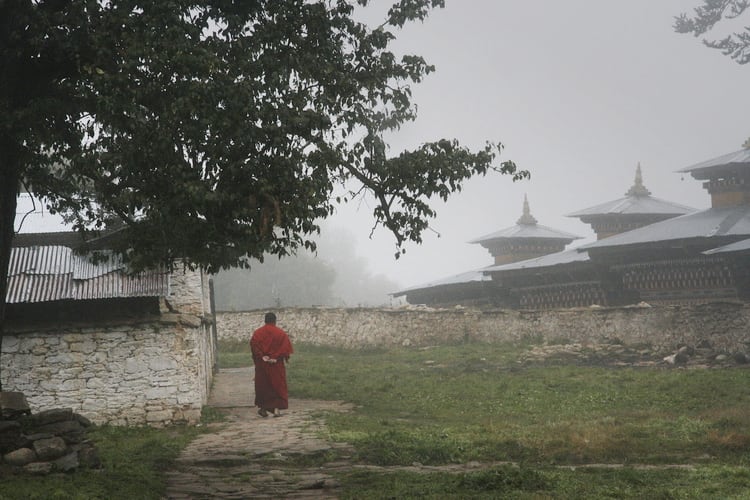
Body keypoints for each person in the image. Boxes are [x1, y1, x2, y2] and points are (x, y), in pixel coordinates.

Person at [250, 312, 293, 417]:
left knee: (263, 386)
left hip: (262, 365)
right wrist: (276, 357)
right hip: (276, 365)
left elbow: (254, 347)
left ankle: (263, 408)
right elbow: (285, 348)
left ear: (265, 320)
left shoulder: (257, 333)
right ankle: (277, 410)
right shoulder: (281, 333)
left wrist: (262, 356)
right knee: (277, 386)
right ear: (275, 321)